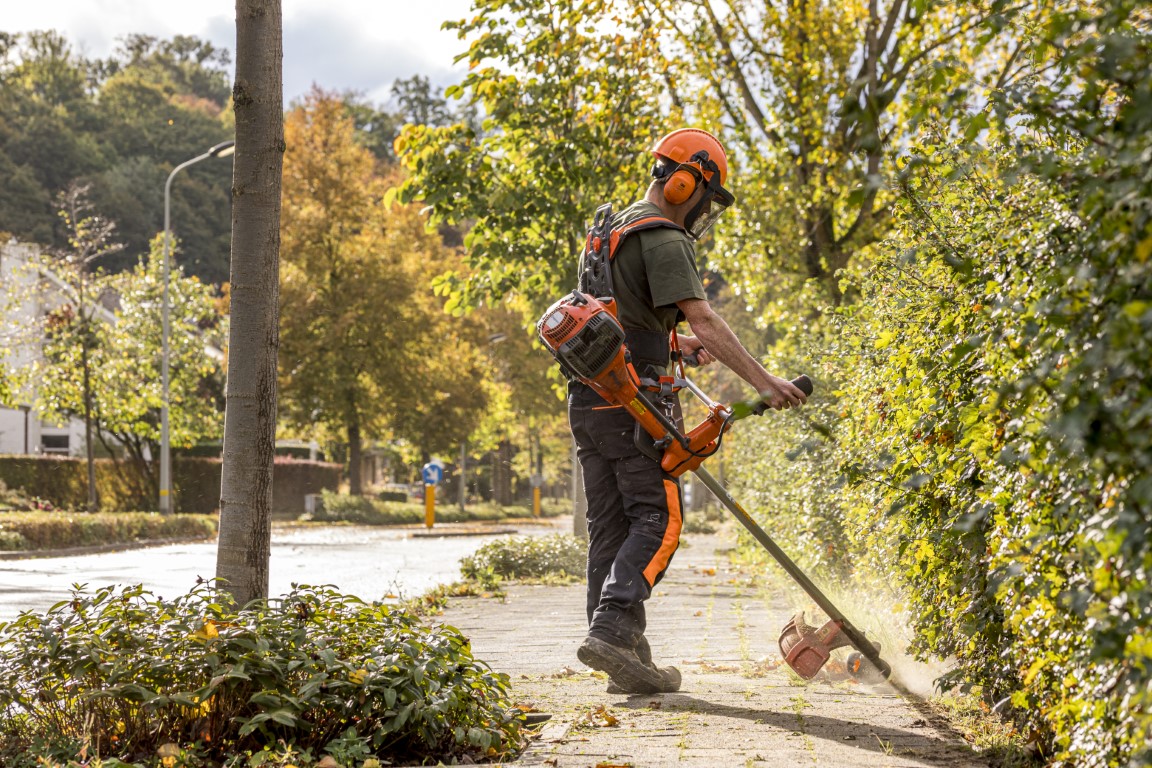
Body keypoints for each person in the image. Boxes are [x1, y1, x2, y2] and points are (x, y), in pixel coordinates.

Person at [570, 127, 808, 694]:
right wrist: (765, 381)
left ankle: (627, 657)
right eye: (705, 195)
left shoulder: (612, 228)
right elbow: (704, 317)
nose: (704, 209)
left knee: (610, 528)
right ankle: (613, 626)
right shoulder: (664, 236)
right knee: (661, 519)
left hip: (589, 398)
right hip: (635, 403)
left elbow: (613, 320)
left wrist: (673, 345)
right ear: (684, 182)